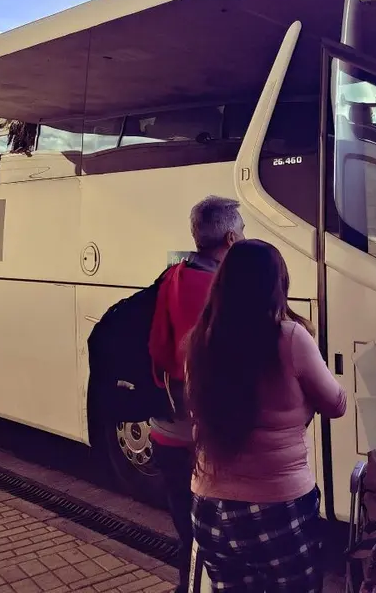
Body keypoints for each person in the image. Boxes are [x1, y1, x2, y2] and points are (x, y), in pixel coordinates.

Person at [185, 239, 347, 592]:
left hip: (208, 507)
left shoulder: (201, 339)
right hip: (276, 508)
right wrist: (303, 402)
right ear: (277, 286)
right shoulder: (290, 338)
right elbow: (336, 404)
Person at [148, 195, 244, 593]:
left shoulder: (173, 276)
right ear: (230, 238)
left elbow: (157, 347)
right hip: (206, 440)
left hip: (167, 430)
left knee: (187, 533)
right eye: (242, 231)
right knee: (223, 542)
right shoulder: (225, 290)